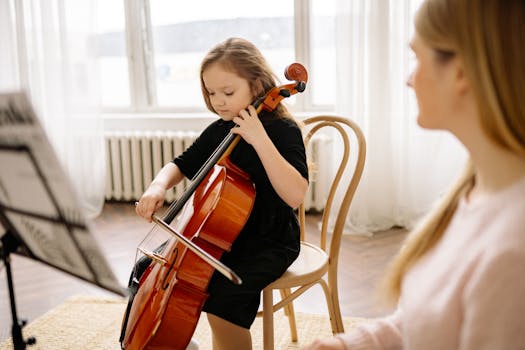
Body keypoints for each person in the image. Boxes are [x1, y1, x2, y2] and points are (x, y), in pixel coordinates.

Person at [302, 0, 525, 349]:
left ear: (462, 72)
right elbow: (432, 321)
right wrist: (349, 345)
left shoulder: (512, 254)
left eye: (417, 59)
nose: (409, 79)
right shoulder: (469, 194)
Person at [135, 37, 309, 350]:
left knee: (221, 293)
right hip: (220, 236)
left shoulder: (283, 130)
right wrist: (157, 186)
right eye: (211, 92)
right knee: (146, 269)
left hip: (269, 240)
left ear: (256, 86)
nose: (219, 101)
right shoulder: (221, 129)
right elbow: (181, 163)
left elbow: (295, 195)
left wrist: (259, 139)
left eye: (228, 92)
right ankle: (170, 340)